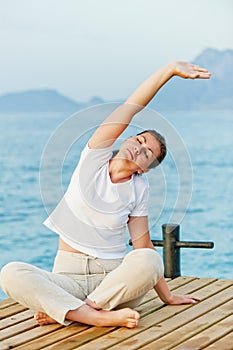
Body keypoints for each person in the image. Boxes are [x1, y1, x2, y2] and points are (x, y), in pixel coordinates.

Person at [0, 61, 211, 329]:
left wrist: (167, 296)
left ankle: (75, 311)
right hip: (68, 276)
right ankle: (91, 315)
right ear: (127, 139)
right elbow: (130, 110)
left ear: (144, 170)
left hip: (113, 284)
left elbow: (142, 246)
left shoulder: (138, 188)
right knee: (10, 273)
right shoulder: (94, 158)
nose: (139, 147)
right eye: (140, 140)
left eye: (147, 153)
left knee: (149, 259)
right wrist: (167, 71)